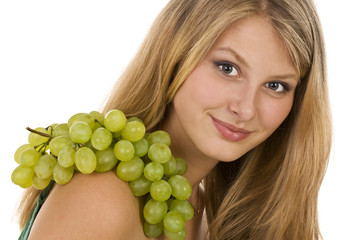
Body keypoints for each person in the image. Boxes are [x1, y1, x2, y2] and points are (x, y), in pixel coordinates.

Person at [16, 0, 332, 239]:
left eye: (276, 86)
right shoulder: (101, 196)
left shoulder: (203, 208)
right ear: (175, 54)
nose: (246, 109)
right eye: (227, 68)